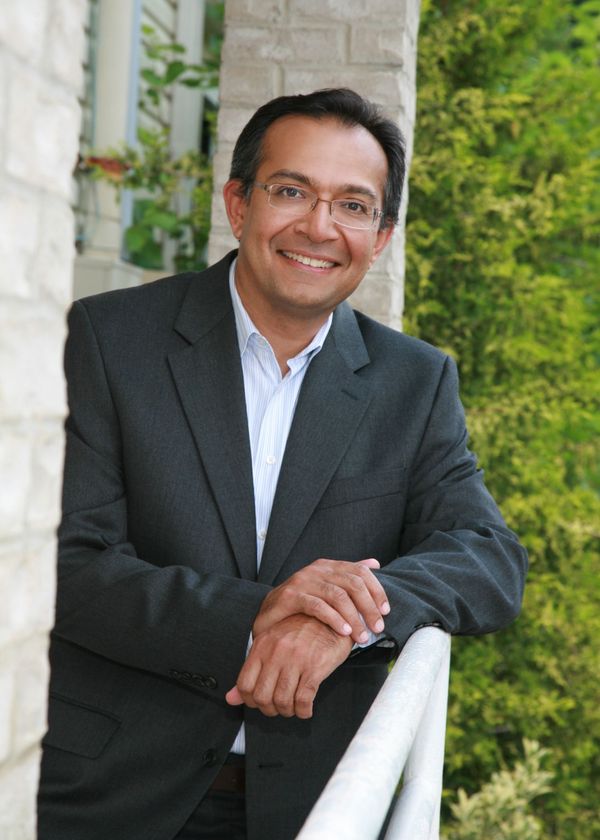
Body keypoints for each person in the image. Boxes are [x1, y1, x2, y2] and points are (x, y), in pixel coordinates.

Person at [38, 88, 527, 840]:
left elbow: (488, 558)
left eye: (354, 206)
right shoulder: (112, 341)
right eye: (291, 191)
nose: (319, 227)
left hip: (313, 805)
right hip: (111, 793)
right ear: (238, 205)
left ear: (382, 234)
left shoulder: (414, 383)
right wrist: (258, 618)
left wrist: (348, 620)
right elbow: (63, 567)